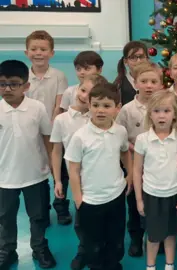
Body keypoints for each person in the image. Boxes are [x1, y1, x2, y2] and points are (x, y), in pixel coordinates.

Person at [65, 83, 133, 270]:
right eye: (95, 105)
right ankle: (96, 265)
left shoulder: (120, 131)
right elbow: (73, 169)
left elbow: (125, 152)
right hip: (90, 200)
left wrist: (130, 175)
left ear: (117, 108)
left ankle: (113, 264)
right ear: (89, 106)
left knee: (115, 237)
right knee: (93, 242)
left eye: (106, 105)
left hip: (116, 196)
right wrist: (78, 198)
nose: (100, 110)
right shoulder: (80, 136)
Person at [0, 60, 56, 269]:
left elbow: (46, 138)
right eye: (2, 84)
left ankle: (40, 248)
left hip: (36, 174)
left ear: (26, 86)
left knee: (39, 216)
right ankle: (7, 250)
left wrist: (53, 167)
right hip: (4, 178)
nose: (7, 89)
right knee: (5, 218)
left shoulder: (37, 108)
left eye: (13, 83)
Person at [50, 74, 108, 270]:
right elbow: (57, 151)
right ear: (76, 89)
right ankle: (84, 250)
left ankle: (103, 251)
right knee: (81, 220)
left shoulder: (101, 118)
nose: (84, 96)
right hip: (77, 181)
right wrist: (58, 180)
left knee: (103, 220)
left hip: (100, 179)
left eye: (90, 94)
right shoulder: (61, 120)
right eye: (82, 90)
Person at [133, 91, 177, 270]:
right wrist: (139, 199)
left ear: (175, 115)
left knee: (171, 234)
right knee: (153, 236)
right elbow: (137, 169)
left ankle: (169, 265)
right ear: (150, 114)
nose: (162, 115)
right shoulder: (143, 139)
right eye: (156, 111)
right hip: (152, 195)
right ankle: (151, 266)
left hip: (175, 194)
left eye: (166, 111)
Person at [116, 61, 163, 257]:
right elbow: (120, 137)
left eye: (154, 81)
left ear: (161, 84)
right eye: (144, 81)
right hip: (135, 163)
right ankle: (136, 238)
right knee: (135, 204)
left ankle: (156, 237)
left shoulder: (164, 106)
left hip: (159, 165)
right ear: (135, 83)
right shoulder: (127, 110)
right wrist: (136, 148)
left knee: (157, 202)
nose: (149, 85)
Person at [24, 30, 68, 121]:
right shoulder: (22, 77)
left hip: (51, 126)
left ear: (52, 53)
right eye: (33, 49)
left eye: (43, 49)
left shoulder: (59, 76)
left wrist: (51, 129)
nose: (38, 53)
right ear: (26, 53)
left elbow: (59, 107)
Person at [113, 41, 149, 106]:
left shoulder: (155, 81)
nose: (139, 61)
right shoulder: (119, 85)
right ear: (126, 61)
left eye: (141, 57)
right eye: (133, 57)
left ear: (147, 59)